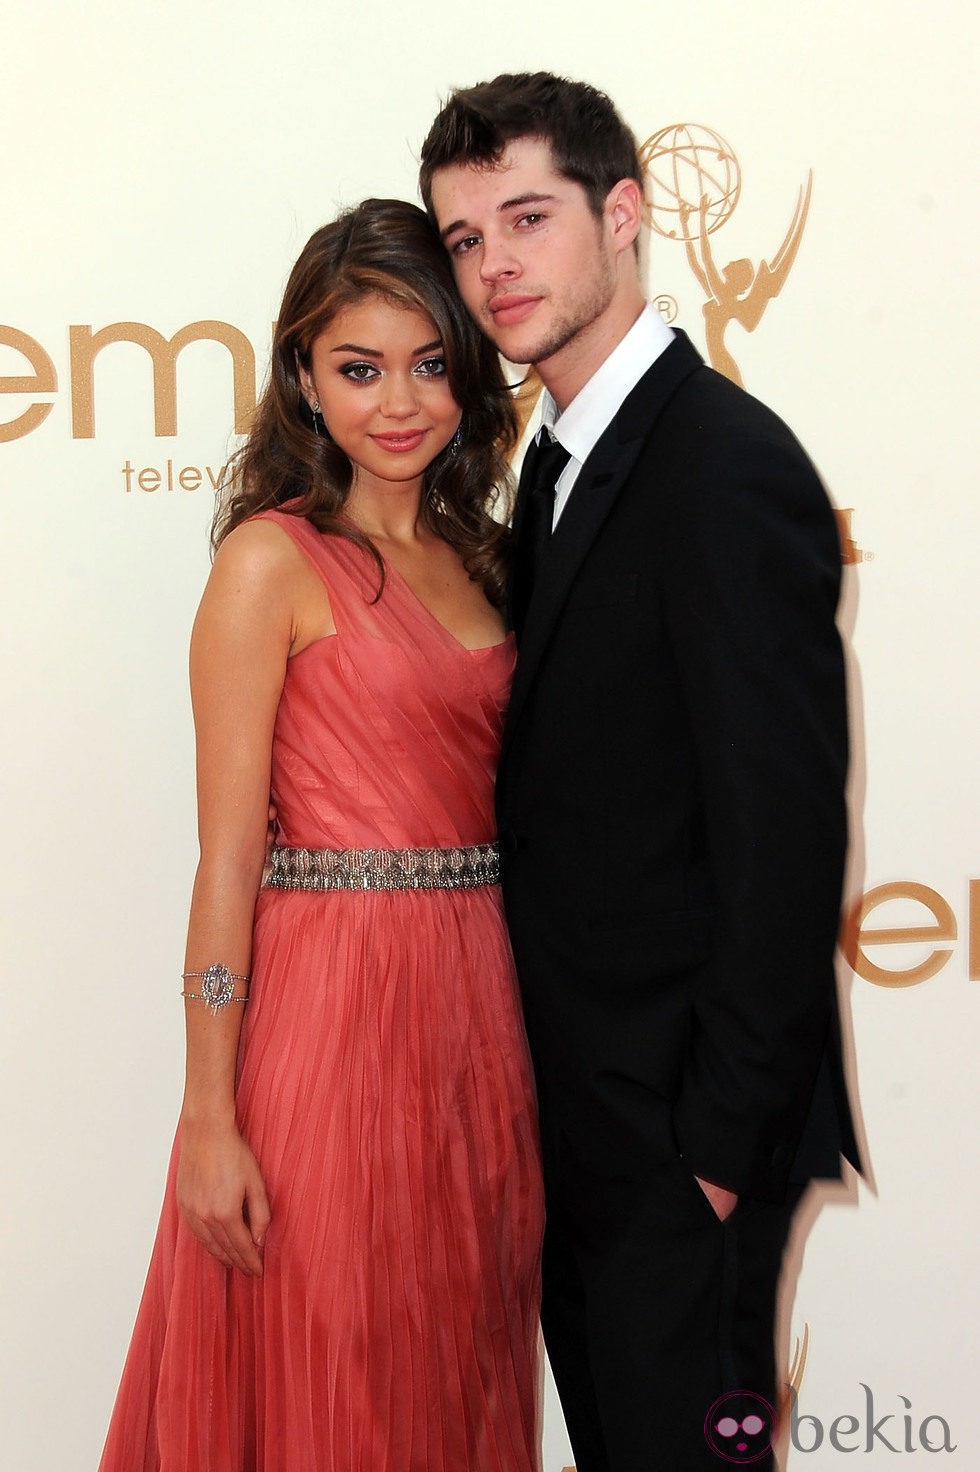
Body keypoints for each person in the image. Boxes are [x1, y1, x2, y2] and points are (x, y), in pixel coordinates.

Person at [420, 73, 859, 1472]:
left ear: (625, 214)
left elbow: (783, 830)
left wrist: (717, 1148)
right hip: (583, 1120)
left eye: (528, 218)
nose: (494, 266)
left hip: (683, 1138)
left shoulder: (722, 465)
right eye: (464, 236)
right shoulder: (553, 463)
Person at [98, 198, 543, 1472]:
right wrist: (206, 1112)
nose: (396, 402)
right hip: (327, 1016)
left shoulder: (491, 560)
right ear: (303, 374)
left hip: (476, 1016)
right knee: (327, 1363)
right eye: (357, 368)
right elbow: (226, 859)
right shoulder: (269, 561)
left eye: (427, 364)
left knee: (449, 1361)